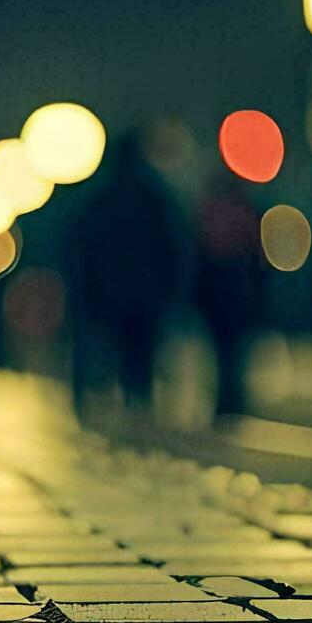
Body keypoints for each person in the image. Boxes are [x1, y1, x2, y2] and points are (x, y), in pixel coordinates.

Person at [68, 125, 187, 415]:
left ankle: (94, 405)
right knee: (139, 354)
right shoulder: (154, 198)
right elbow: (174, 247)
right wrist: (170, 291)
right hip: (145, 296)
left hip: (106, 294)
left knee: (104, 350)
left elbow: (80, 248)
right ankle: (138, 406)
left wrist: (83, 289)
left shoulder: (98, 199)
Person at [193, 169, 265, 416]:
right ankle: (233, 398)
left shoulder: (210, 213)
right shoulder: (245, 211)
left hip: (217, 292)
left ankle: (225, 399)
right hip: (237, 290)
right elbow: (255, 254)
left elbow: (201, 253)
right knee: (234, 350)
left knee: (221, 349)